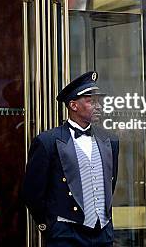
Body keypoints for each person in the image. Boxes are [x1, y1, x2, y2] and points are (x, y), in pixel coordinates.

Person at [22, 71, 119, 247]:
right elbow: (32, 193)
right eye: (91, 101)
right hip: (66, 236)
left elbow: (109, 184)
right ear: (73, 105)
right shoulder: (47, 142)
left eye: (98, 101)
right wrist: (48, 226)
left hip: (103, 235)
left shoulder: (110, 141)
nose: (98, 106)